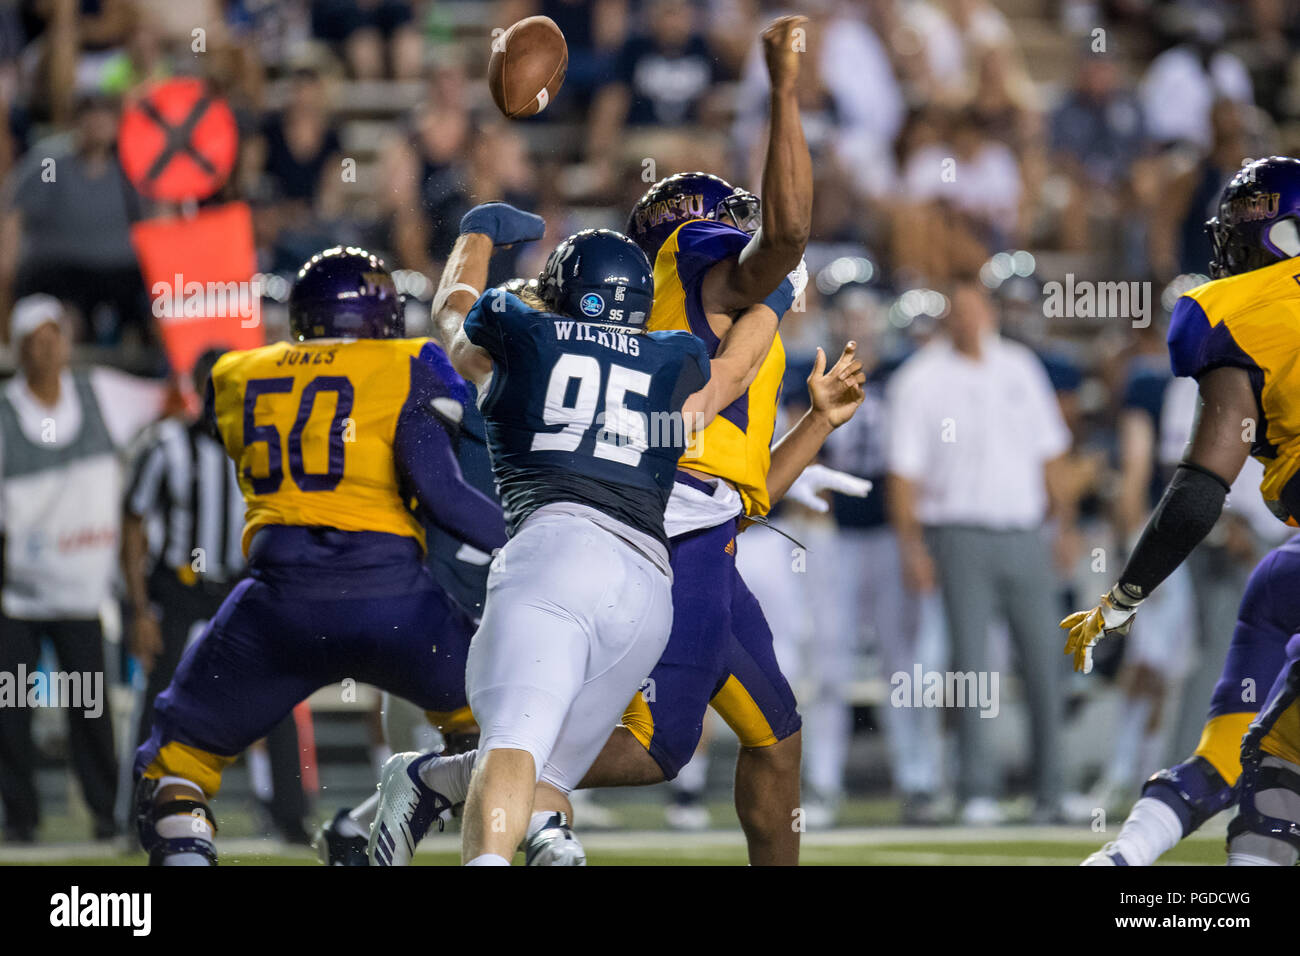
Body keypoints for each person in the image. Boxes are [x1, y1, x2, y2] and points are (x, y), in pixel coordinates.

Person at [131, 246, 506, 865]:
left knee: (176, 769)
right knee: (498, 737)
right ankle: (413, 810)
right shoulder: (411, 361)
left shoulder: (236, 373)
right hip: (394, 605)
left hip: (278, 605)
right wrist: (527, 544)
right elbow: (443, 498)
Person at [377, 218, 711, 867]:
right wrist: (776, 295)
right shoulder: (675, 355)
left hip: (556, 556)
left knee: (523, 754)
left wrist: (474, 237)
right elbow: (735, 366)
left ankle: (429, 780)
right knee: (540, 771)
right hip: (648, 586)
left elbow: (454, 321)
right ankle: (452, 801)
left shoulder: (521, 330)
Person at [1067, 156, 1300, 867]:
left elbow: (1199, 489)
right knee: (1265, 758)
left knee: (1264, 762)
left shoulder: (1236, 312)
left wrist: (1123, 596)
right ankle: (1122, 859)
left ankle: (1125, 860)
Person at [887, 276, 1074, 825]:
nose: (969, 320)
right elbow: (904, 474)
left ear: (989, 313)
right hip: (957, 533)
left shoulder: (1020, 367)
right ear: (949, 317)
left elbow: (1051, 454)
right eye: (959, 311)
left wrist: (1062, 524)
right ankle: (977, 789)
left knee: (1046, 661)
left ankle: (1052, 790)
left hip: (1022, 531)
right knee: (971, 667)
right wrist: (912, 548)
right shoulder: (920, 380)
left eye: (976, 310)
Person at [122, 347, 308, 844]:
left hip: (241, 586)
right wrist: (139, 608)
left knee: (276, 694)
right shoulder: (166, 446)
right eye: (211, 383)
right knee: (160, 698)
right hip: (180, 587)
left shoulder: (266, 449)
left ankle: (289, 813)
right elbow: (134, 525)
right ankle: (139, 813)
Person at [0, 294, 167, 844]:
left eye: (54, 335)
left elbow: (171, 400)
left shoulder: (103, 396)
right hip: (15, 601)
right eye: (35, 339)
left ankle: (104, 817)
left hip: (81, 598)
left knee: (90, 715)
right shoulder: (3, 414)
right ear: (19, 348)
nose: (46, 348)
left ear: (66, 342)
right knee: (11, 717)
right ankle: (20, 821)